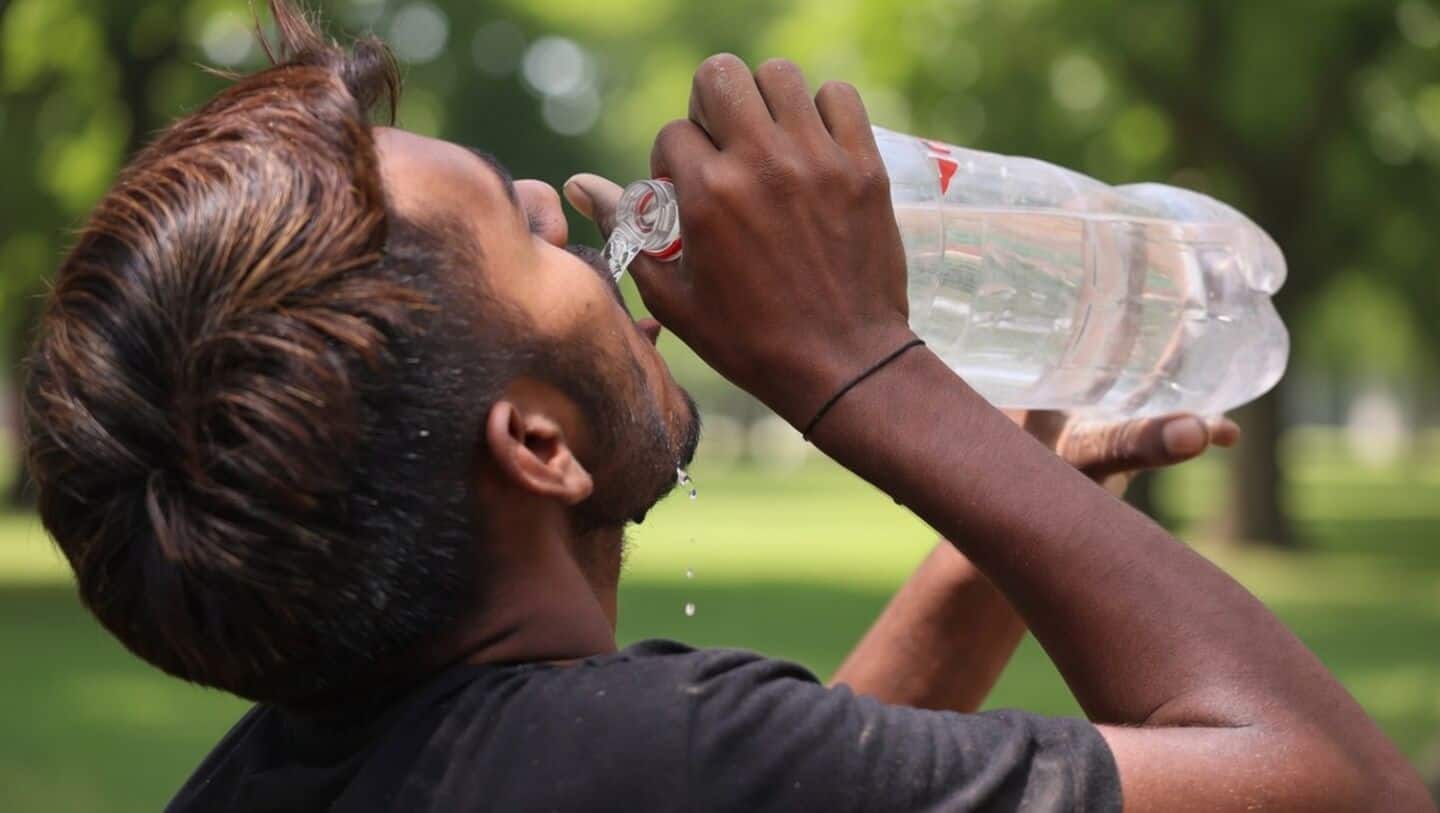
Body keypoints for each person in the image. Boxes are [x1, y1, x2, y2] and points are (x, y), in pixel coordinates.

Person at [22, 2, 1430, 811]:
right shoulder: (644, 753)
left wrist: (1018, 494)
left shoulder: (280, 771)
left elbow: (809, 788)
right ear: (538, 443)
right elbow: (1347, 793)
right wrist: (858, 367)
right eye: (525, 235)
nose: (553, 201)